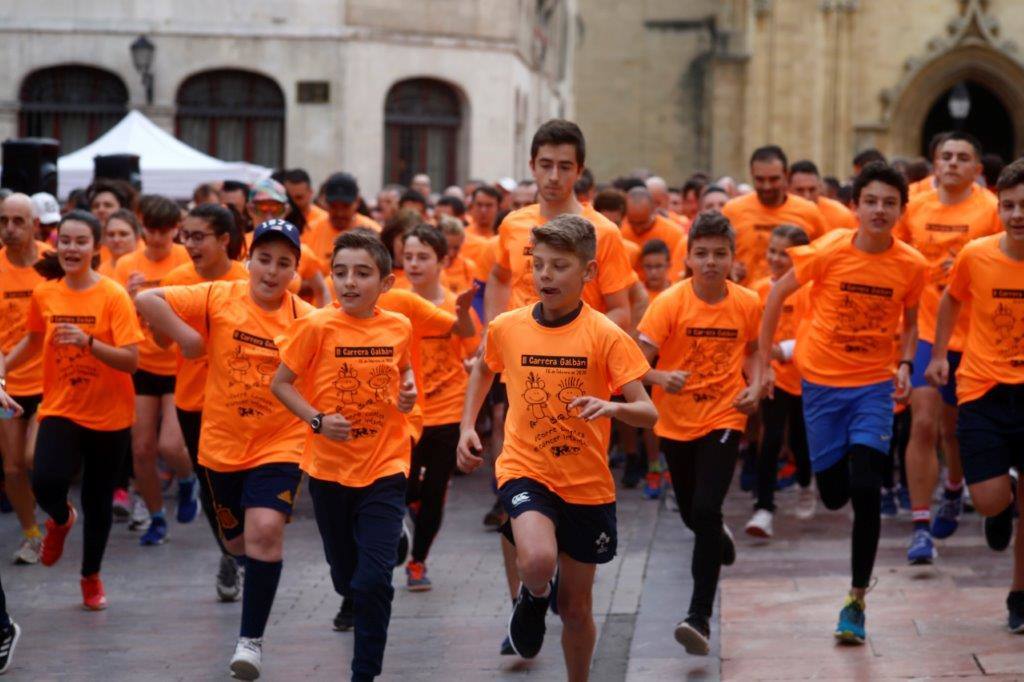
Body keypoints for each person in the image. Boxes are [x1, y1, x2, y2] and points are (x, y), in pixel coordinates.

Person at [457, 215, 655, 680]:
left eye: (559, 266)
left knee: (577, 609)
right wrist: (469, 425)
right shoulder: (507, 326)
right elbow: (485, 368)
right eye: (538, 264)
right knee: (539, 560)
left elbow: (648, 412)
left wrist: (611, 407)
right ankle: (532, 595)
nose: (545, 275)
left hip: (586, 484)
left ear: (588, 273)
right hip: (527, 467)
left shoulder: (605, 334)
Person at [136, 219, 314, 679]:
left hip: (280, 442)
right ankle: (245, 567)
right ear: (248, 260)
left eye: (284, 264)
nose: (272, 272)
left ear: (295, 270)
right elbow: (146, 299)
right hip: (220, 447)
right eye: (264, 260)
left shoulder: (305, 319)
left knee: (266, 531)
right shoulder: (219, 295)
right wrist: (188, 337)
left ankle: (249, 641)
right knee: (238, 542)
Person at [759, 162, 927, 644]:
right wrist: (763, 366)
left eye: (889, 203)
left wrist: (905, 363)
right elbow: (775, 295)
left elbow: (911, 323)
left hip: (874, 387)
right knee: (835, 492)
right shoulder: (828, 251)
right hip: (822, 388)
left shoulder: (911, 265)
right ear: (855, 206)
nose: (879, 210)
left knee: (867, 486)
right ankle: (839, 478)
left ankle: (855, 601)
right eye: (870, 201)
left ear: (901, 209)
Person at [270, 230, 418, 681]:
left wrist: (407, 393)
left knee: (374, 582)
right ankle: (357, 581)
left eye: (362, 273)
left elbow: (405, 371)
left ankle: (364, 673)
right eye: (340, 273)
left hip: (385, 466)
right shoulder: (316, 326)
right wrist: (317, 420)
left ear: (386, 283)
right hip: (329, 471)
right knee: (345, 577)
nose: (349, 282)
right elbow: (281, 384)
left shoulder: (399, 327)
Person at [2, 210, 144, 610]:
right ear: (56, 243)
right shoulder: (45, 293)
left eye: (81, 241)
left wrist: (88, 342)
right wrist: (3, 366)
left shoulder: (113, 295)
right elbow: (31, 341)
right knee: (45, 479)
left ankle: (90, 577)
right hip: (62, 406)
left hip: (111, 413)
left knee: (99, 499)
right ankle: (62, 519)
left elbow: (131, 361)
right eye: (65, 240)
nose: (71, 248)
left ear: (94, 248)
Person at [636, 212, 761, 655]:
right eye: (702, 253)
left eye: (720, 254)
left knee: (706, 508)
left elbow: (756, 349)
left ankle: (698, 616)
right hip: (674, 423)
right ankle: (715, 532)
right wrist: (660, 376)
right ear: (687, 258)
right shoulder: (669, 303)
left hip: (724, 417)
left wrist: (757, 385)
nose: (710, 262)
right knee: (694, 514)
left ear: (732, 258)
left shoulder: (747, 302)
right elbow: (635, 366)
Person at [924, 156, 1024, 633]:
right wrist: (941, 352)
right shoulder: (976, 255)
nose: (1018, 214)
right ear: (998, 209)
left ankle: (1019, 595)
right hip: (983, 388)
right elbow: (951, 298)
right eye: (1009, 206)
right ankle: (1000, 506)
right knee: (987, 499)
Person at [894, 131, 1001, 564]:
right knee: (922, 424)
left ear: (977, 169)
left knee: (953, 430)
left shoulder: (992, 210)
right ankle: (921, 526)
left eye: (962, 158)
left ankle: (954, 488)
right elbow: (897, 258)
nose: (953, 163)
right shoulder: (915, 208)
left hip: (977, 337)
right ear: (935, 164)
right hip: (926, 332)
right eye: (946, 156)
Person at [162, 204, 249, 601]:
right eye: (186, 236)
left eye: (199, 237)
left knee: (245, 486)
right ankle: (230, 553)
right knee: (214, 490)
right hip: (194, 402)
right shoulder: (177, 279)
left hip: (241, 401)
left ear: (224, 240)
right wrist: (163, 322)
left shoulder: (248, 279)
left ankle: (248, 550)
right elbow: (163, 343)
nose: (190, 244)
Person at [395, 225, 480, 590]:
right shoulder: (395, 302)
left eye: (423, 257)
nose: (414, 264)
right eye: (409, 256)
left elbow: (473, 351)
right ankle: (406, 513)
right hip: (407, 412)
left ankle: (418, 562)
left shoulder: (455, 305)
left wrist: (473, 366)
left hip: (447, 410)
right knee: (405, 486)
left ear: (443, 261)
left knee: (434, 494)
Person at [113, 195, 196, 545]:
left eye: (163, 231)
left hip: (178, 365)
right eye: (150, 229)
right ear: (141, 226)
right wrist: (129, 296)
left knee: (172, 446)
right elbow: (117, 316)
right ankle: (156, 515)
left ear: (175, 230)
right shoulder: (126, 263)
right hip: (143, 365)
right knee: (142, 449)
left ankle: (189, 479)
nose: (156, 238)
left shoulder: (185, 261)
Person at [744, 225, 814, 539]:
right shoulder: (758, 289)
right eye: (771, 250)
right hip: (771, 376)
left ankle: (804, 483)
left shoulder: (810, 289)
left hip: (807, 374)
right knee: (769, 437)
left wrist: (783, 350)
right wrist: (763, 362)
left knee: (800, 437)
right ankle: (764, 507)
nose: (774, 258)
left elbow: (813, 334)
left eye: (782, 253)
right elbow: (751, 333)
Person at [0, 194, 49, 564]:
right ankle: (33, 533)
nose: (10, 229)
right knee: (12, 466)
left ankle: (59, 516)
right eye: (3, 221)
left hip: (52, 380)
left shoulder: (53, 263)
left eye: (18, 221)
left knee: (35, 459)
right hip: (7, 383)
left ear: (35, 224)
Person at [722, 146, 829, 284]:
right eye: (760, 180)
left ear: (786, 175)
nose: (767, 186)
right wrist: (730, 268)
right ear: (751, 175)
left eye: (773, 179)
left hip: (793, 300)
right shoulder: (732, 211)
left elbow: (824, 259)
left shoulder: (809, 211)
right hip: (746, 299)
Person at [246, 179, 331, 306]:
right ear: (250, 209)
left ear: (286, 210)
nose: (269, 216)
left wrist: (319, 322)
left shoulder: (300, 250)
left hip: (289, 323)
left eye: (276, 208)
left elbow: (322, 290)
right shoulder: (236, 246)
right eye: (262, 208)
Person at [304, 173, 382, 271]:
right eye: (334, 206)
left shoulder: (374, 232)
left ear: (357, 202)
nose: (339, 213)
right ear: (324, 202)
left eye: (346, 206)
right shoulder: (309, 230)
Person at [788, 160, 858, 231]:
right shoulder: (781, 212)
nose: (807, 196)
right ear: (788, 189)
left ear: (820, 187)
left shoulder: (841, 215)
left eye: (812, 190)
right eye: (800, 190)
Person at [98, 209, 142, 277]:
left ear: (137, 237)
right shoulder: (101, 271)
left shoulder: (148, 263)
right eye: (111, 234)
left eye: (123, 234)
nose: (116, 240)